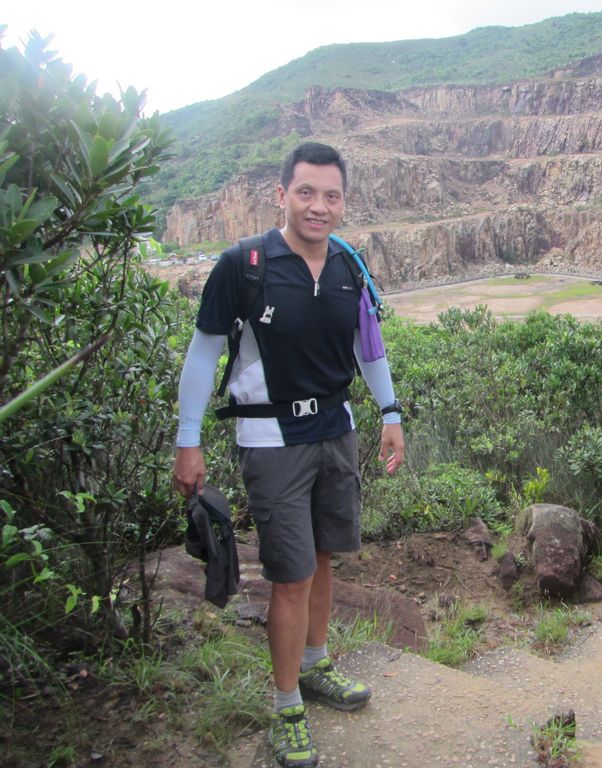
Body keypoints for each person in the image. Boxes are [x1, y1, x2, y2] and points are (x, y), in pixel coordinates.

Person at [172, 141, 405, 768]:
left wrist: (390, 414)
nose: (318, 206)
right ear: (282, 195)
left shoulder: (348, 265)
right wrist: (188, 439)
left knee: (324, 558)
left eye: (331, 195)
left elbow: (369, 346)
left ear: (343, 202)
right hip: (271, 440)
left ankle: (314, 665)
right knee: (292, 575)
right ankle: (286, 707)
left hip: (336, 431)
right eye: (306, 192)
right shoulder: (243, 265)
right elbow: (202, 355)